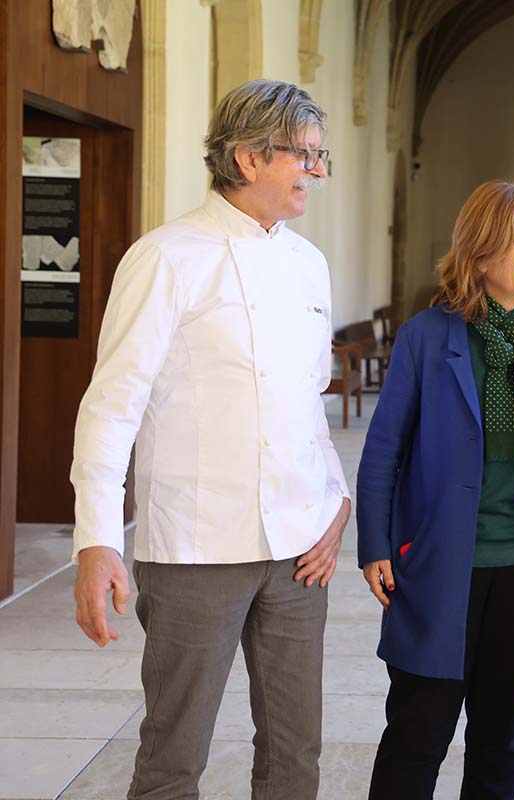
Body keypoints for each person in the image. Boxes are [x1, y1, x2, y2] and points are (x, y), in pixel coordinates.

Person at [70, 79, 350, 800]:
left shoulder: (309, 264)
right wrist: (96, 538)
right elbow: (111, 407)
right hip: (196, 550)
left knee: (296, 756)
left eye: (322, 157)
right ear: (250, 157)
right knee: (174, 756)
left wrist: (336, 502)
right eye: (305, 156)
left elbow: (308, 403)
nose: (316, 172)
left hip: (298, 552)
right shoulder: (164, 257)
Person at [357, 179, 514, 800]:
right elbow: (385, 448)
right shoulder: (428, 335)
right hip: (442, 563)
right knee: (418, 732)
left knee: (502, 738)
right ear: (478, 252)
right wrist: (375, 543)